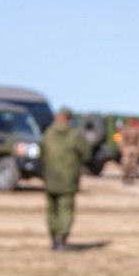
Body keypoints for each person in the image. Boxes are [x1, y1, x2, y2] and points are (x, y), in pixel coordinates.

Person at [40, 107, 89, 251]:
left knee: (51, 210)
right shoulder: (74, 135)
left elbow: (42, 154)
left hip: (50, 178)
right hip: (68, 180)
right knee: (65, 209)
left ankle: (53, 239)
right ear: (69, 119)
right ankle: (62, 239)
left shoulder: (48, 134)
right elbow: (86, 154)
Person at [118, 116, 139, 184]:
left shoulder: (137, 129)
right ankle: (125, 177)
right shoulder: (125, 129)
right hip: (127, 148)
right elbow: (122, 139)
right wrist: (122, 148)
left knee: (133, 164)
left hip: (134, 148)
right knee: (125, 163)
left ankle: (131, 178)